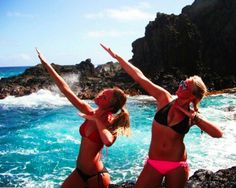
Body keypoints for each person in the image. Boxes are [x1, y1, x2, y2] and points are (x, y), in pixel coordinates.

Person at [101, 44, 223, 188]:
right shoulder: (164, 98)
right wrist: (117, 57)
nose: (181, 85)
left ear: (192, 95)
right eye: (182, 82)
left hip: (177, 165)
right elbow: (140, 77)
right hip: (153, 163)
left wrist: (195, 118)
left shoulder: (192, 116)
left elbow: (218, 134)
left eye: (185, 86)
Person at [36, 48, 131, 188]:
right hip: (79, 172)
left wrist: (97, 121)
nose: (99, 95)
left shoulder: (111, 122)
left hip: (96, 176)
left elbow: (108, 141)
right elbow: (65, 89)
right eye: (102, 92)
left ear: (111, 107)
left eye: (104, 97)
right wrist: (46, 64)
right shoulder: (89, 111)